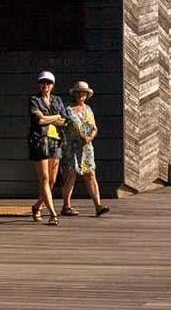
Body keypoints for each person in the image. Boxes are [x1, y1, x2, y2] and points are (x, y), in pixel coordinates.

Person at [57, 81, 110, 217]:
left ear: (87, 95)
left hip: (86, 147)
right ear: (74, 94)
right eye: (79, 92)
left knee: (90, 174)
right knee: (71, 174)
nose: (81, 95)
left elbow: (94, 127)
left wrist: (90, 136)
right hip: (72, 146)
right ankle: (66, 206)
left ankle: (98, 205)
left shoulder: (88, 109)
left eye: (83, 92)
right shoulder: (69, 109)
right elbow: (71, 125)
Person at [28, 71, 68, 224]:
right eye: (43, 82)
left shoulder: (57, 100)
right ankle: (53, 214)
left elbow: (65, 121)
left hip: (55, 140)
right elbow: (39, 121)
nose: (46, 85)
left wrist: (51, 119)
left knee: (51, 180)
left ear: (53, 85)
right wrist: (56, 117)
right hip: (40, 140)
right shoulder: (34, 100)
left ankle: (37, 206)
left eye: (48, 83)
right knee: (44, 178)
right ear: (39, 84)